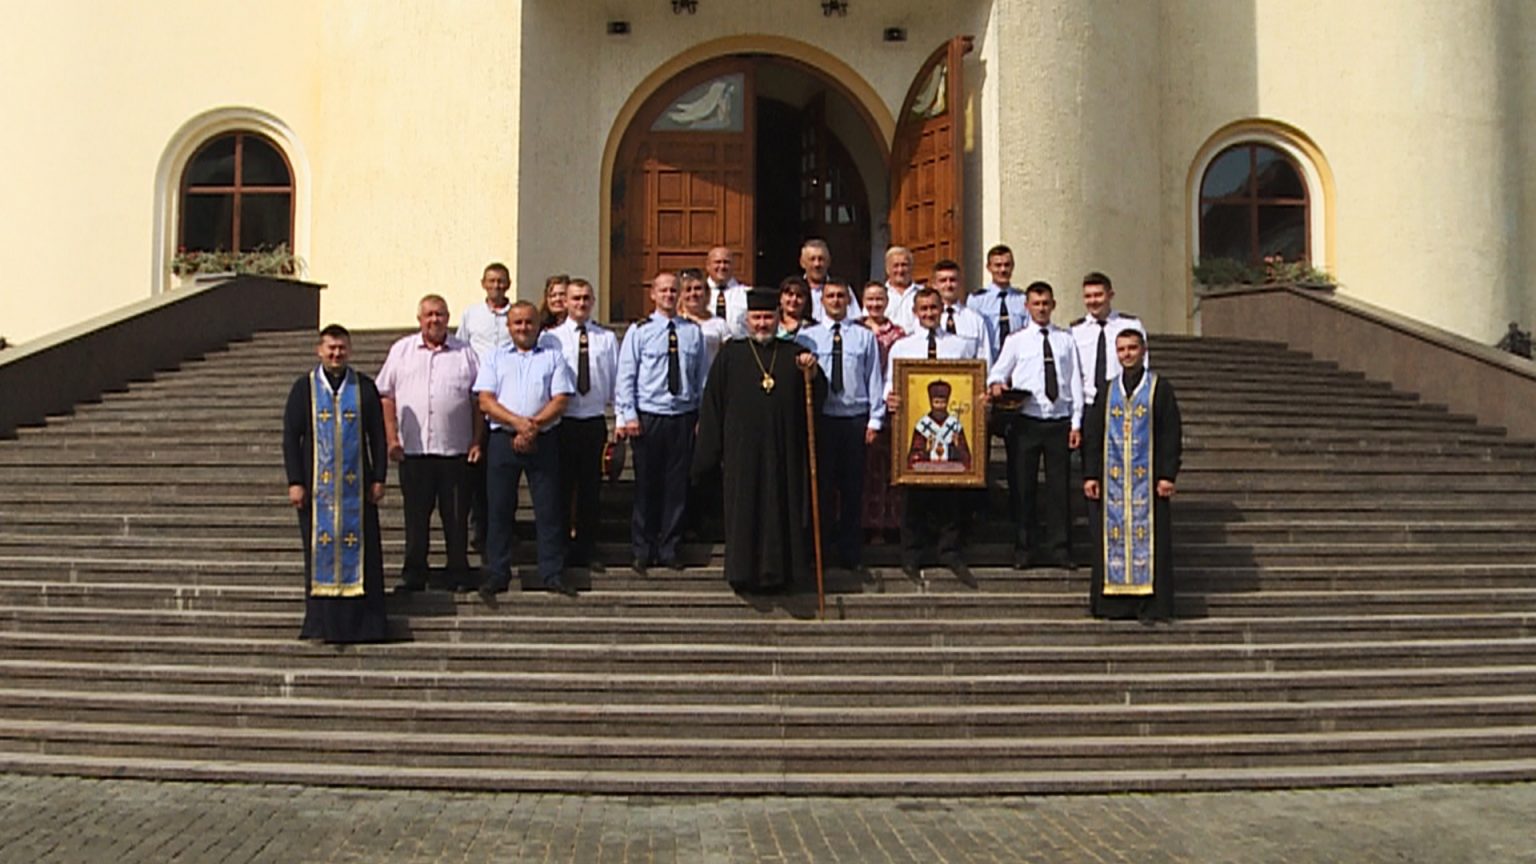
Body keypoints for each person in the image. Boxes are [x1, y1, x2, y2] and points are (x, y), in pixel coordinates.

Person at [693, 289, 825, 591]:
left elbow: (816, 399)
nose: (763, 323)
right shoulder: (731, 355)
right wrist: (709, 453)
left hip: (784, 451)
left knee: (782, 508)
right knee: (745, 509)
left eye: (768, 317)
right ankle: (743, 573)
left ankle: (783, 574)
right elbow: (713, 404)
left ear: (779, 319)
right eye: (757, 318)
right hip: (742, 452)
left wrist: (813, 374)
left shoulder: (795, 354)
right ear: (747, 320)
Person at [282, 324, 389, 643]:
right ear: (319, 350)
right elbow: (291, 436)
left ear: (349, 350)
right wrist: (295, 481)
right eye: (330, 348)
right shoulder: (304, 388)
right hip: (317, 490)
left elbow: (378, 437)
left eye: (341, 348)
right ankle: (321, 624)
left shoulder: (364, 387)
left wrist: (380, 477)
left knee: (365, 555)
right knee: (318, 552)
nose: (336, 353)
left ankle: (365, 625)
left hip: (357, 489)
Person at [376, 294, 482, 592]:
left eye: (440, 314)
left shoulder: (466, 353)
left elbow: (479, 401)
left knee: (457, 516)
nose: (435, 320)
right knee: (416, 518)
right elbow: (386, 395)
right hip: (414, 452)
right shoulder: (401, 351)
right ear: (419, 319)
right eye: (429, 315)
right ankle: (414, 573)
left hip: (455, 451)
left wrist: (476, 440)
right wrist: (391, 437)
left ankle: (458, 571)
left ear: (449, 319)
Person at [474, 301, 576, 598]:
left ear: (538, 325)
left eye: (529, 322)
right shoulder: (494, 358)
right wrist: (519, 424)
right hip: (502, 440)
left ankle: (552, 573)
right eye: (517, 323)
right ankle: (497, 572)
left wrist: (532, 427)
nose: (523, 328)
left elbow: (560, 400)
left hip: (543, 440)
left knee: (548, 509)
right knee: (499, 509)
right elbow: (486, 401)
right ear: (509, 327)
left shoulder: (554, 358)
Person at [1083, 329, 1182, 623]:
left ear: (1143, 350)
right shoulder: (1108, 390)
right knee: (1110, 540)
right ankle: (1113, 604)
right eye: (1122, 349)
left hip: (1147, 483)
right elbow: (1094, 434)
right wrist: (1091, 474)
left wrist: (1167, 474)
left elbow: (1170, 434)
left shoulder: (1158, 389)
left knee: (1151, 542)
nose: (1127, 354)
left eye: (1132, 348)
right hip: (1113, 483)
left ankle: (1151, 605)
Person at [884, 286, 979, 586]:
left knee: (951, 494)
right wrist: (892, 399)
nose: (928, 314)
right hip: (917, 425)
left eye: (933, 309)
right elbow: (891, 383)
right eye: (923, 309)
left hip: (951, 430)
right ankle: (912, 552)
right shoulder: (902, 347)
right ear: (915, 312)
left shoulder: (960, 346)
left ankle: (948, 549)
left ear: (942, 310)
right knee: (914, 494)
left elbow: (971, 382)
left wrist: (979, 400)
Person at [615, 271, 708, 573]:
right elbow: (626, 375)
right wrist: (628, 414)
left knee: (676, 486)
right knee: (646, 485)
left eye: (673, 291)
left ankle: (669, 547)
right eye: (663, 290)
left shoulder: (693, 332)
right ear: (653, 294)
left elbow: (701, 378)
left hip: (682, 415)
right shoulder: (639, 332)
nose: (669, 295)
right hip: (649, 416)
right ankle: (643, 548)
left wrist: (701, 415)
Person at [988, 280, 1083, 570]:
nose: (1041, 309)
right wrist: (996, 386)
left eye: (1046, 304)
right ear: (1027, 307)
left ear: (1053, 306)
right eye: (1036, 304)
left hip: (1058, 421)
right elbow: (997, 373)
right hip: (1026, 421)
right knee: (1023, 487)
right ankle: (1024, 547)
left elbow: (1075, 381)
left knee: (1059, 489)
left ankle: (1060, 549)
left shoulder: (1066, 340)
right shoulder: (1016, 341)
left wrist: (1076, 423)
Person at [799, 279, 884, 573]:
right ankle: (818, 550)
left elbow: (874, 378)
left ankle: (850, 552)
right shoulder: (806, 338)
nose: (835, 300)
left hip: (853, 419)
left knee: (852, 489)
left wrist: (875, 418)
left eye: (840, 296)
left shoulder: (864, 337)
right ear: (821, 301)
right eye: (830, 296)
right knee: (819, 488)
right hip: (822, 420)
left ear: (849, 301)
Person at [540, 278, 617, 572]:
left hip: (593, 420)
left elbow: (614, 378)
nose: (581, 304)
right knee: (560, 487)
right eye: (575, 299)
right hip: (562, 421)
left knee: (590, 488)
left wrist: (620, 417)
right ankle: (558, 548)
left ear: (593, 301)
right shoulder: (551, 338)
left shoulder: (606, 338)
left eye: (586, 298)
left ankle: (587, 547)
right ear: (566, 302)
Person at [455, 262, 514, 552]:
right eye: (491, 281)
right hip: (480, 398)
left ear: (509, 284)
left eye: (501, 281)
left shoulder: (515, 315)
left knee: (505, 470)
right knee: (478, 467)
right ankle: (479, 527)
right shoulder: (472, 315)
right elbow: (463, 347)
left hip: (510, 398)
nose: (496, 286)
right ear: (483, 283)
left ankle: (503, 528)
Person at [858, 281, 905, 541]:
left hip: (888, 408)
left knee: (886, 469)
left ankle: (888, 524)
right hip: (860, 406)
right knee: (863, 470)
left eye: (879, 299)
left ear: (887, 302)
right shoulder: (854, 329)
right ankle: (864, 524)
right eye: (870, 299)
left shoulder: (899, 334)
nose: (875, 304)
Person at [1070, 271, 1148, 411]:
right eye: (1088, 296)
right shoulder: (1075, 331)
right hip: (1088, 403)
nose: (1093, 301)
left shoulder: (1130, 325)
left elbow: (1143, 364)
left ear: (1110, 295)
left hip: (1122, 401)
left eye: (1098, 295)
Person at [973, 244, 1026, 362]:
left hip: (1017, 361)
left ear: (1013, 266)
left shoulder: (1023, 299)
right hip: (990, 360)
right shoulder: (977, 301)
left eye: (1007, 265)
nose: (1003, 270)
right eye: (998, 265)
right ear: (989, 267)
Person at [932, 259, 993, 361]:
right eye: (943, 280)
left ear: (960, 282)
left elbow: (985, 359)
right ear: (934, 285)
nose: (948, 285)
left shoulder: (975, 320)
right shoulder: (927, 320)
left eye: (953, 280)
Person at [908, 380, 971, 469]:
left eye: (943, 402)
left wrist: (957, 445)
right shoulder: (922, 425)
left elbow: (967, 459)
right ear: (931, 402)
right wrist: (926, 449)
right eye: (936, 402)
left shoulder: (954, 425)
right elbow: (912, 459)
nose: (940, 406)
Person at [680, 267, 733, 372]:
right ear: (680, 295)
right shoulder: (675, 322)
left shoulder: (719, 323)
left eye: (698, 288)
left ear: (706, 293)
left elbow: (729, 356)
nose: (693, 294)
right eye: (688, 289)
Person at [801, 239, 862, 321]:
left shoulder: (842, 289)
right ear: (802, 263)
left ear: (828, 262)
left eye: (821, 259)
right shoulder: (795, 292)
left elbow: (855, 319)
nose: (817, 264)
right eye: (812, 259)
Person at [705, 246, 750, 338]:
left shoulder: (746, 294)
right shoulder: (696, 294)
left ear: (733, 266)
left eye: (726, 262)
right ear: (708, 266)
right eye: (717, 262)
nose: (722, 266)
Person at [882, 246, 919, 333]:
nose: (900, 270)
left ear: (911, 267)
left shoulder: (922, 293)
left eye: (904, 265)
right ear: (888, 269)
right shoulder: (878, 296)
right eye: (896, 265)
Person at [777, 275, 816, 344]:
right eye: (790, 294)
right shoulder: (771, 325)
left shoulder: (814, 328)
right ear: (781, 298)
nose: (794, 299)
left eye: (799, 296)